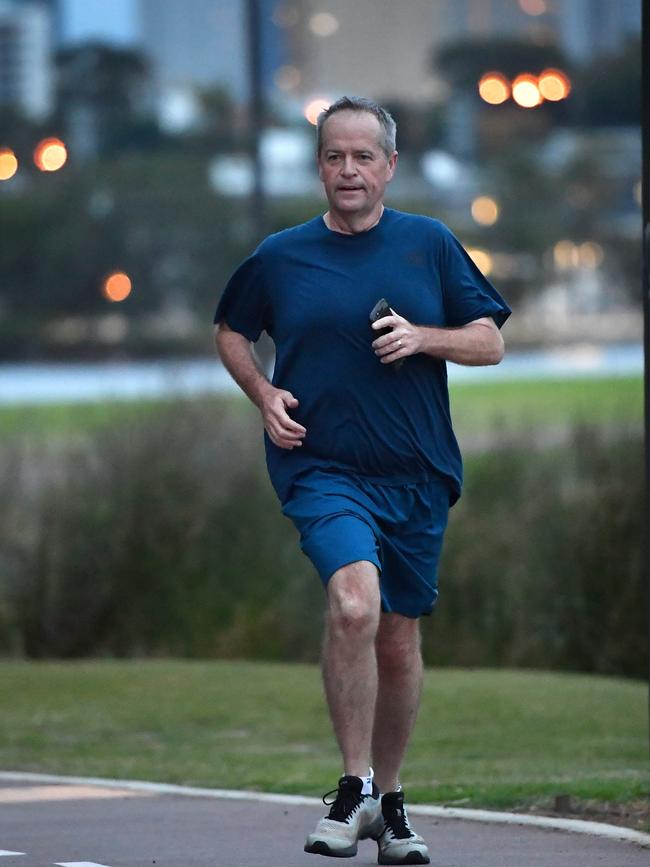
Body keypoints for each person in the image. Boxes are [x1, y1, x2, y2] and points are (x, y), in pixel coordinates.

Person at [214, 95, 510, 866]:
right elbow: (231, 329)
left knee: (399, 637)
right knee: (354, 603)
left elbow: (489, 341)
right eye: (334, 156)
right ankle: (351, 788)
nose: (348, 170)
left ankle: (391, 801)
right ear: (320, 166)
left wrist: (423, 336)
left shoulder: (429, 245)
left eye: (363, 157)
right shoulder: (280, 254)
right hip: (320, 465)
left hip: (415, 472)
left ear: (390, 166)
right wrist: (264, 392)